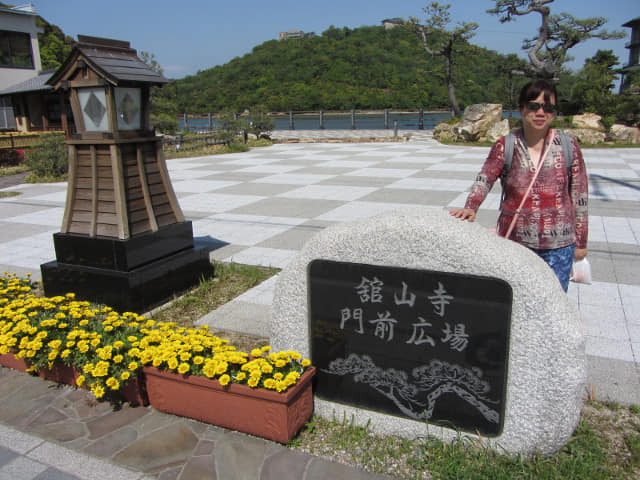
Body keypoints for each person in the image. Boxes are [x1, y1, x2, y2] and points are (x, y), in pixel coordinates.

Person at [449, 79, 588, 292]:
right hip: (516, 242)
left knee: (553, 304)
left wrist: (581, 242)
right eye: (534, 106)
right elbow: (485, 178)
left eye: (548, 107)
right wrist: (471, 207)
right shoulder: (506, 145)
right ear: (521, 109)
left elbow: (580, 195)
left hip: (559, 245)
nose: (541, 112)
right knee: (517, 302)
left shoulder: (568, 146)